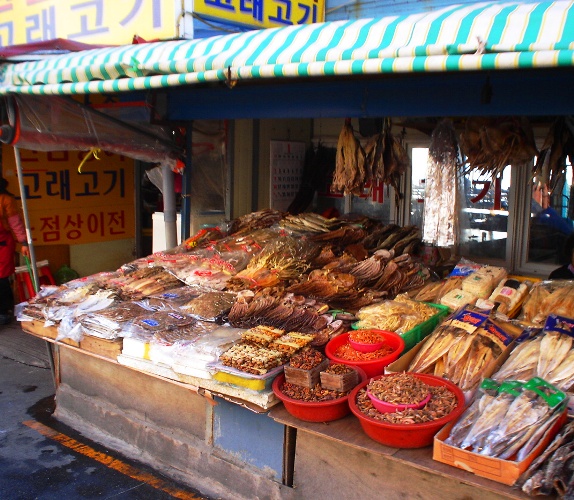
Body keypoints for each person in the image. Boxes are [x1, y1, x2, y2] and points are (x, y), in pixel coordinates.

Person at [0, 177, 29, 325]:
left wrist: (24, 242)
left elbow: (15, 223)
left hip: (3, 243)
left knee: (1, 277)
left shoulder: (6, 200)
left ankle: (4, 311)